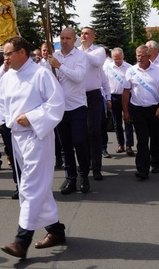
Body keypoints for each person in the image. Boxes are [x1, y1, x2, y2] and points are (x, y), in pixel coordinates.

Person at [0, 36, 66, 260]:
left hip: (37, 136)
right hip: (17, 139)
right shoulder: (7, 77)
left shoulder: (41, 74)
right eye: (4, 54)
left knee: (30, 186)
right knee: (36, 185)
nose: (6, 58)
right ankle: (56, 231)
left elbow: (57, 104)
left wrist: (31, 117)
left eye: (9, 53)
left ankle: (22, 240)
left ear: (23, 52)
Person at [48, 28, 90, 194]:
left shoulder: (81, 56)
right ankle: (70, 178)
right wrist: (52, 76)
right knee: (65, 145)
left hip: (77, 106)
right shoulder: (54, 56)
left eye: (68, 38)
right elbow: (45, 76)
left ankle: (84, 174)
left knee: (79, 142)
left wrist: (60, 66)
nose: (65, 41)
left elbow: (78, 76)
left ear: (74, 40)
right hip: (60, 108)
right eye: (62, 38)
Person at [122, 45, 159, 179]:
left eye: (143, 56)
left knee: (155, 138)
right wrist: (126, 112)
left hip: (154, 109)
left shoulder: (157, 71)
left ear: (149, 56)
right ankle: (142, 169)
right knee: (142, 139)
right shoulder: (131, 71)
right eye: (138, 55)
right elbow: (126, 92)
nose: (140, 58)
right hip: (137, 109)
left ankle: (156, 162)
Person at [78, 27, 107, 180]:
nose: (83, 35)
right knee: (81, 132)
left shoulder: (99, 51)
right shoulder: (76, 51)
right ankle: (85, 164)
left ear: (93, 37)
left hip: (93, 95)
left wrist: (81, 54)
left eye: (87, 33)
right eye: (81, 33)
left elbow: (96, 63)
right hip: (77, 96)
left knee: (94, 130)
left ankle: (96, 167)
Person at [104, 47, 134, 156]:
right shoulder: (107, 68)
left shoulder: (129, 68)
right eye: (115, 59)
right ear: (112, 58)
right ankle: (120, 144)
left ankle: (129, 145)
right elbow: (105, 84)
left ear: (123, 56)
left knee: (128, 120)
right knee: (117, 122)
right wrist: (108, 99)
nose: (118, 61)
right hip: (114, 97)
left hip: (127, 97)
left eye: (120, 58)